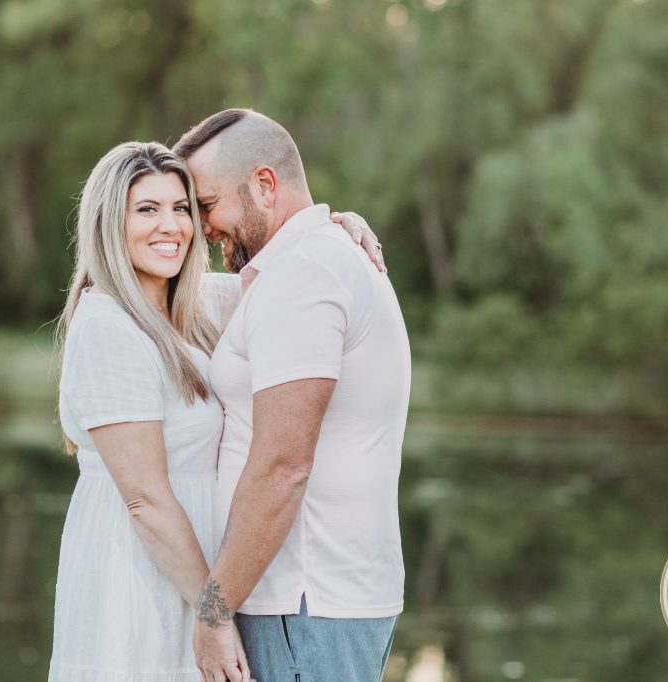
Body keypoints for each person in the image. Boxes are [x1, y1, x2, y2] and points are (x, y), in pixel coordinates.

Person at [48, 140, 382, 682]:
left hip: (200, 580)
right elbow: (146, 500)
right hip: (142, 577)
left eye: (182, 208)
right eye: (147, 210)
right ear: (109, 223)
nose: (171, 226)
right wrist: (216, 614)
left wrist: (333, 230)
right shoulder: (108, 324)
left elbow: (288, 270)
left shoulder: (197, 305)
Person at [174, 110, 411, 682]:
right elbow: (168, 294)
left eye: (205, 205)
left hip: (304, 605)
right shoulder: (299, 266)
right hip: (310, 603)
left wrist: (212, 612)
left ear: (264, 185)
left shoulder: (306, 273)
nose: (201, 228)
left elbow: (283, 468)